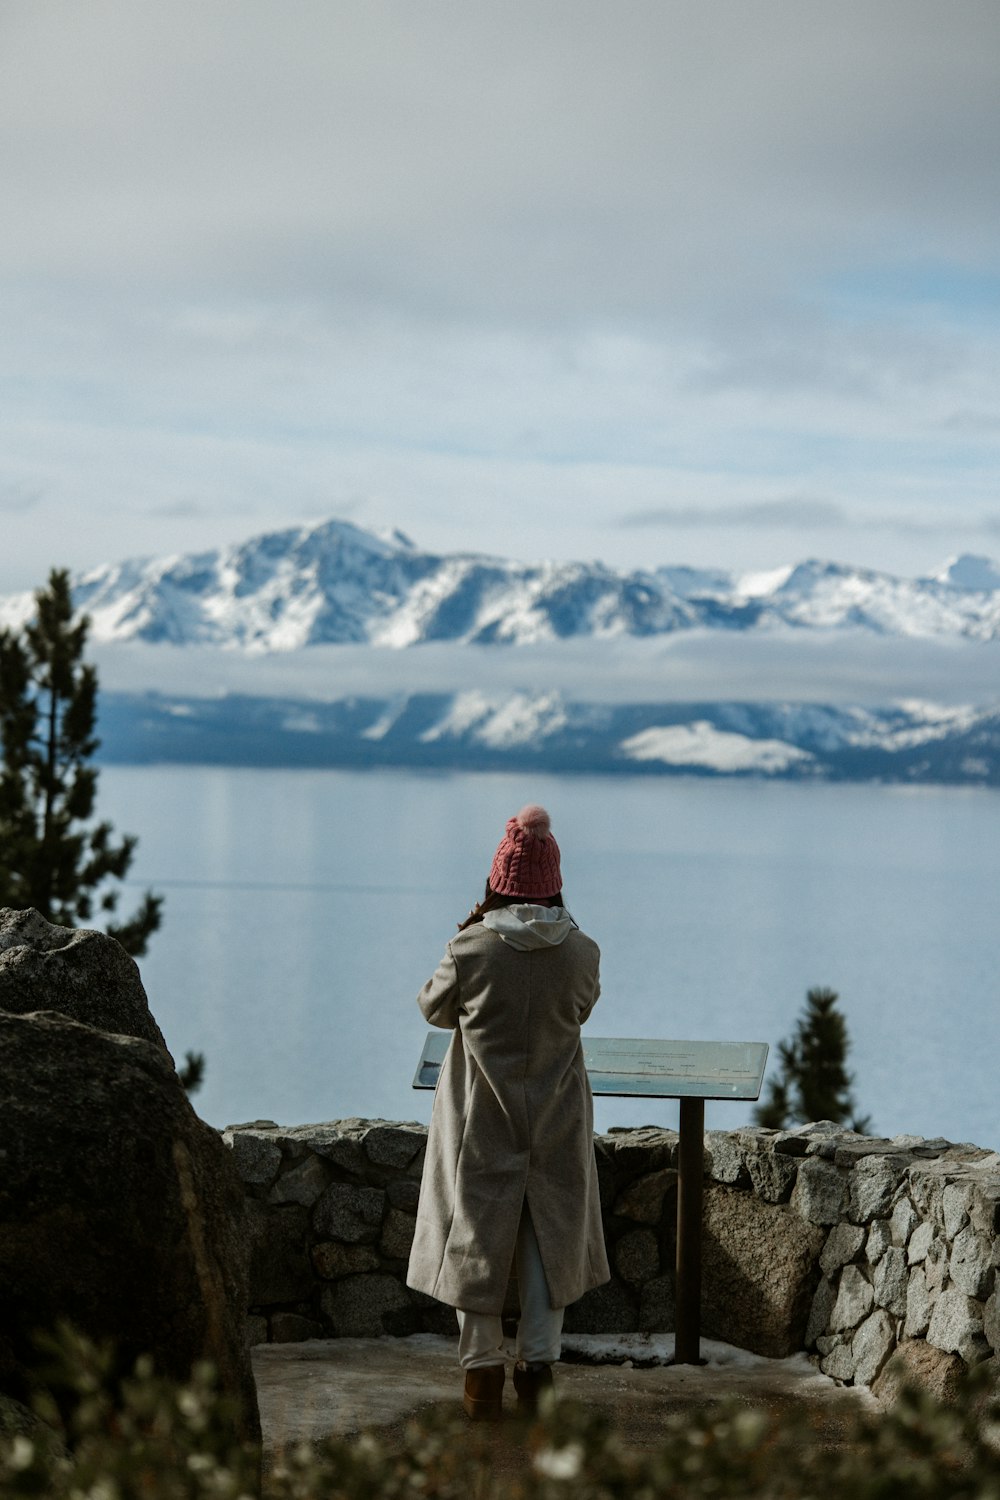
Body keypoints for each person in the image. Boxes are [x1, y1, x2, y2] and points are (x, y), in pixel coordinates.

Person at [406, 803, 610, 1420]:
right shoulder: (582, 953)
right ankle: (539, 1371)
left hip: (480, 1121)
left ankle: (481, 1382)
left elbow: (432, 1010)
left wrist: (469, 927)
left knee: (476, 1242)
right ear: (554, 882)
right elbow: (582, 1010)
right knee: (548, 1243)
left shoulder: (469, 950)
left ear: (496, 880)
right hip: (556, 1118)